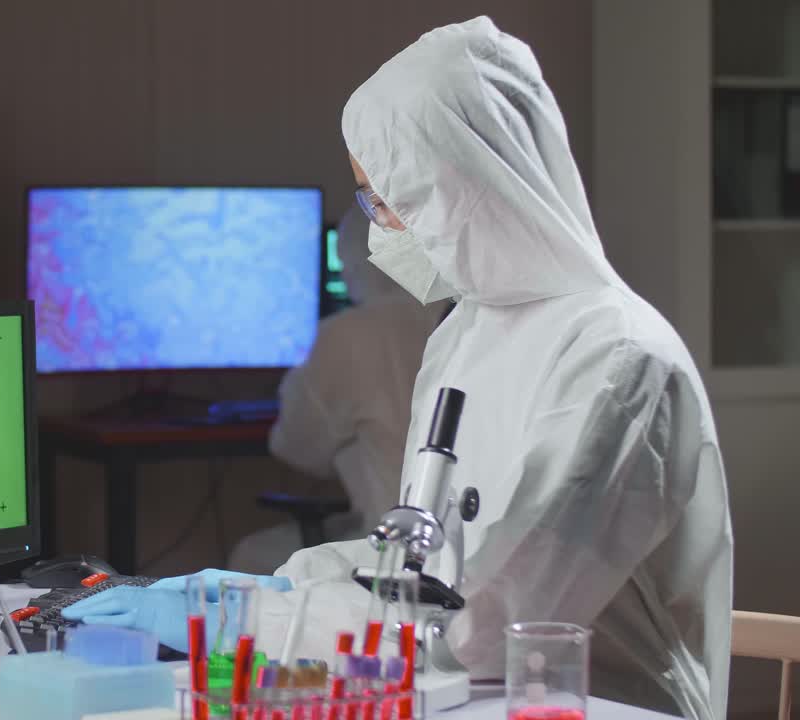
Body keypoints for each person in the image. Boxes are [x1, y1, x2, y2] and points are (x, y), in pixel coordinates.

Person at [64, 16, 732, 719]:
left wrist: (253, 620)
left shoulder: (618, 363)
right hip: (458, 694)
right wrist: (280, 585)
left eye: (388, 200)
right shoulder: (467, 332)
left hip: (592, 703)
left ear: (470, 183)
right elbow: (422, 569)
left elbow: (486, 624)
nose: (377, 225)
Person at [227, 202, 438, 575]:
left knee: (251, 553)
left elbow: (296, 447)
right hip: (470, 545)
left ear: (355, 262)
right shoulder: (462, 318)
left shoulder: (349, 334)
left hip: (394, 548)